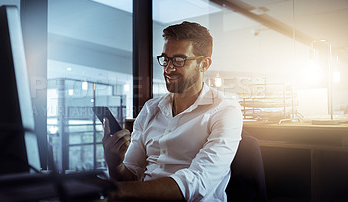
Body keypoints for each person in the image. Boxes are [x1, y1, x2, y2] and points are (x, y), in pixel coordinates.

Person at [102, 21, 243, 201]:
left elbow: (197, 182)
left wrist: (115, 192)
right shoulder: (150, 109)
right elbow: (131, 176)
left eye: (179, 60)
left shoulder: (225, 110)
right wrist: (115, 164)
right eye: (165, 59)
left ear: (204, 64)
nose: (168, 69)